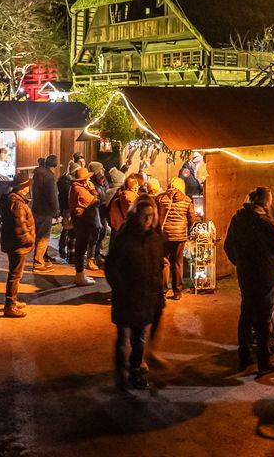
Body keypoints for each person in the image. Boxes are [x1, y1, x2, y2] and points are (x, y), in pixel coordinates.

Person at [223, 186, 274, 372]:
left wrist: (240, 263)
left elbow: (228, 246)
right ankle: (263, 361)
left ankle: (244, 356)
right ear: (266, 203)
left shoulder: (237, 219)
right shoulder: (267, 224)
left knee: (246, 314)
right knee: (263, 318)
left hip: (246, 275)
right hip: (265, 276)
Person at [107, 196, 165, 393]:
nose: (147, 220)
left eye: (150, 216)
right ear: (135, 215)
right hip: (126, 298)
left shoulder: (155, 239)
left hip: (145, 298)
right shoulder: (124, 238)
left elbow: (157, 268)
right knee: (124, 338)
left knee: (140, 338)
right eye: (144, 216)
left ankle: (134, 371)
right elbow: (112, 268)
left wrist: (159, 295)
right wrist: (122, 291)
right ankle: (120, 375)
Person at [0, 172, 35, 318]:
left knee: (16, 274)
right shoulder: (17, 203)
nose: (28, 189)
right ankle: (10, 306)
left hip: (13, 242)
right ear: (22, 188)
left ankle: (13, 301)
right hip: (17, 245)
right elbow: (19, 227)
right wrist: (29, 240)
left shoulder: (13, 199)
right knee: (15, 275)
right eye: (26, 186)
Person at [156, 178, 198, 300]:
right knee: (178, 263)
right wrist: (187, 230)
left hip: (164, 236)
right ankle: (177, 292)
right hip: (179, 236)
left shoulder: (160, 198)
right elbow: (192, 219)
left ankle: (163, 291)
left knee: (164, 263)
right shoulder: (186, 200)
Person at [68, 164, 102, 287]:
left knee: (81, 247)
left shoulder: (77, 187)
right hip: (82, 222)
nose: (89, 180)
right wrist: (93, 190)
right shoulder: (79, 189)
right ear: (83, 180)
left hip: (82, 221)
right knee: (81, 248)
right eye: (87, 178)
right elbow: (96, 200)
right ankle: (80, 275)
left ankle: (80, 275)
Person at [30, 155, 60, 271]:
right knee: (43, 237)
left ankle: (42, 258)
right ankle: (38, 263)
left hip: (37, 208)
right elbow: (53, 196)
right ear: (55, 165)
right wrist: (56, 210)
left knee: (39, 235)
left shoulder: (37, 174)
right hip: (46, 210)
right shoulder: (49, 176)